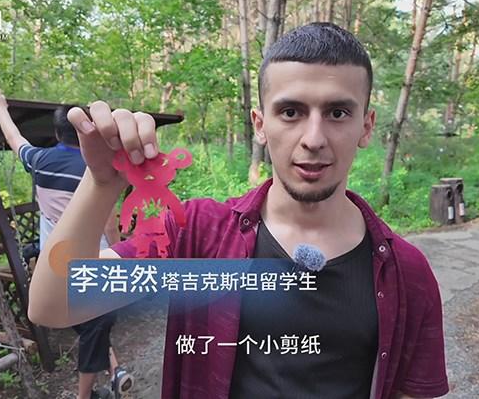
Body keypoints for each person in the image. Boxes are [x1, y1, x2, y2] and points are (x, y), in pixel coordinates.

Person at [27, 22, 449, 399]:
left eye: (338, 112)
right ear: (260, 124)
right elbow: (53, 305)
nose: (314, 138)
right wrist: (101, 183)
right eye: (290, 112)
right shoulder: (197, 234)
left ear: (366, 126)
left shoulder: (406, 272)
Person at [0, 86, 133, 399]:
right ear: (87, 130)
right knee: (95, 324)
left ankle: (111, 373)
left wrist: (0, 108)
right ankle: (93, 387)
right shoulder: (96, 166)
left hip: (53, 267)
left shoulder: (40, 160)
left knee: (93, 323)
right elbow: (109, 221)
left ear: (56, 133)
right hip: (95, 260)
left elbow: (14, 138)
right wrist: (119, 254)